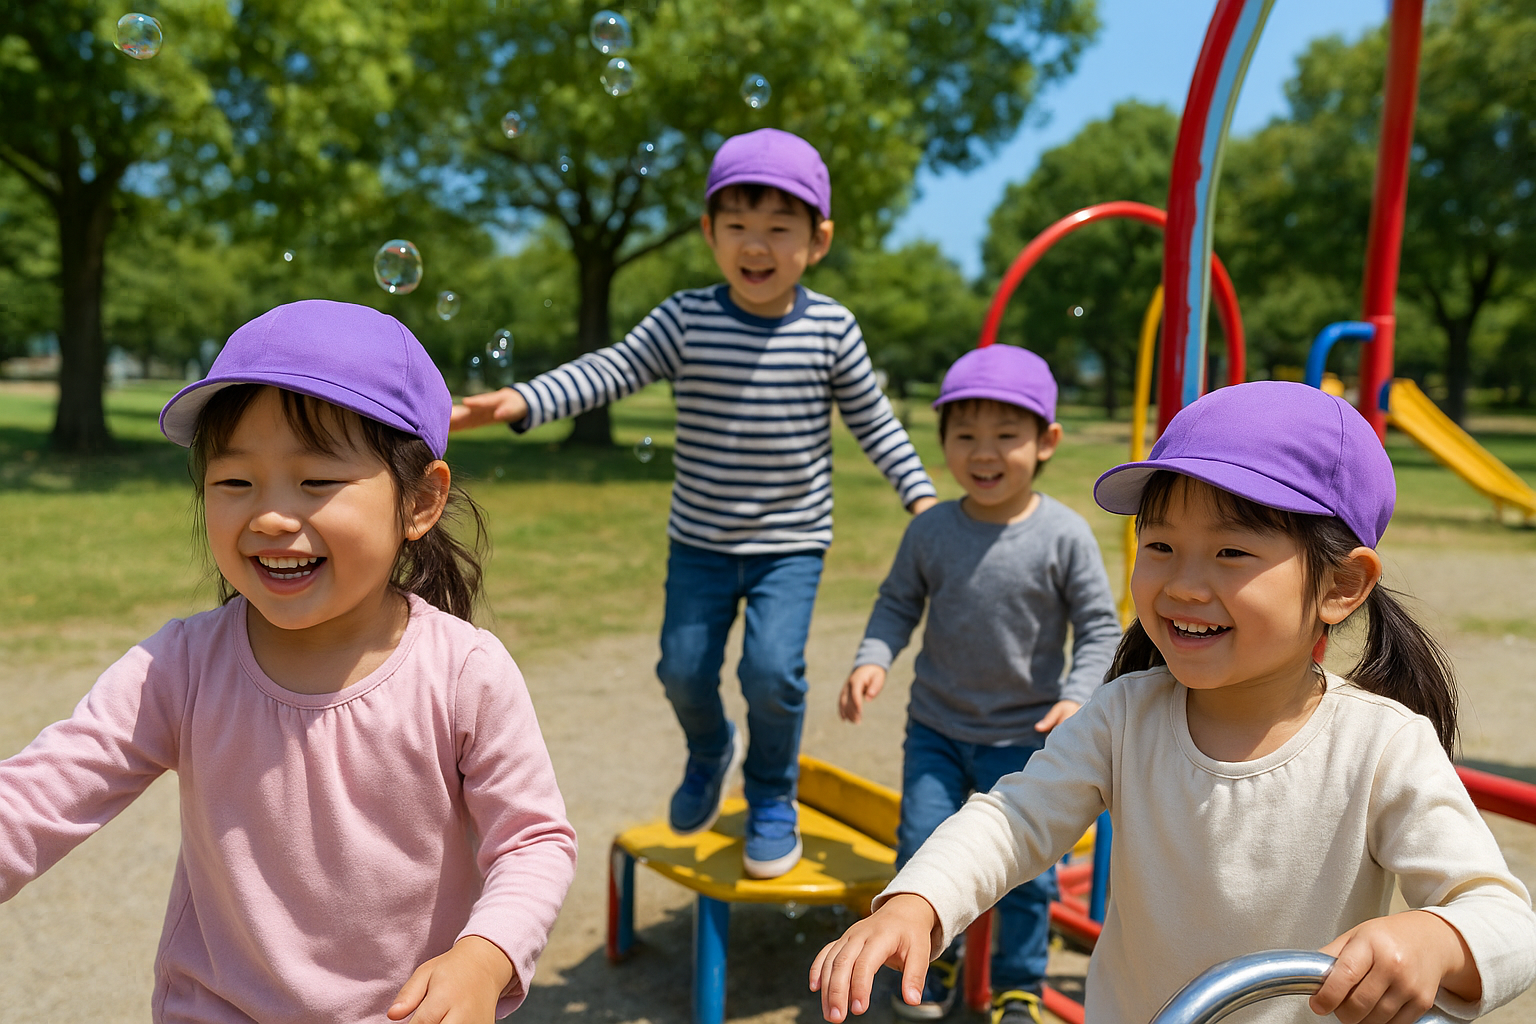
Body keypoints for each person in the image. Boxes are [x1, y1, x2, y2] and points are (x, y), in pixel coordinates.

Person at [811, 380, 1536, 1024]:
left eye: (1230, 553)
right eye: (1158, 546)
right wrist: (920, 900)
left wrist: (1437, 939)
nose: (1183, 585)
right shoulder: (1125, 717)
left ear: (1341, 586)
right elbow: (1014, 817)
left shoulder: (1381, 748)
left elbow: (1507, 922)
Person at [0, 300, 578, 1024]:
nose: (271, 516)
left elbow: (533, 841)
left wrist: (485, 956)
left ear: (421, 500)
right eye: (234, 483)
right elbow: (38, 795)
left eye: (316, 482)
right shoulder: (181, 667)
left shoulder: (464, 672)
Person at [451, 128, 937, 879]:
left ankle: (771, 794)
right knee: (681, 670)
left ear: (818, 241)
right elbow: (610, 370)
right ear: (710, 232)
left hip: (790, 545)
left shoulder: (831, 330)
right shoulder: (686, 318)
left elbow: (875, 422)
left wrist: (921, 497)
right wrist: (522, 400)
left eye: (779, 228)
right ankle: (711, 748)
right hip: (700, 544)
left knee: (772, 674)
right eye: (737, 225)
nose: (756, 245)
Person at [838, 344, 1120, 1024]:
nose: (984, 453)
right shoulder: (931, 530)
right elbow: (897, 603)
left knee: (1024, 870)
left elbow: (1100, 628)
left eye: (1006, 435)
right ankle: (930, 960)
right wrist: (873, 657)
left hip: (1026, 737)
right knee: (921, 848)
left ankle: (1020, 983)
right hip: (936, 730)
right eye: (964, 435)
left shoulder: (1064, 535)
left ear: (1046, 441)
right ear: (943, 444)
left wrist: (1077, 695)